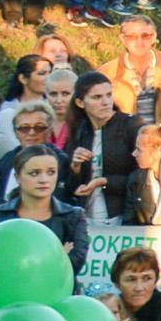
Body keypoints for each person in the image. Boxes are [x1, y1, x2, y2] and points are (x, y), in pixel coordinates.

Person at [0, 144, 88, 270]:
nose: (44, 179)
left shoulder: (74, 216)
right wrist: (56, 256)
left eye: (51, 172)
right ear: (18, 177)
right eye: (34, 173)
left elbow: (74, 265)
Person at [67, 74, 141, 224]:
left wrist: (105, 181)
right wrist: (75, 167)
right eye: (97, 97)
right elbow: (72, 186)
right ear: (80, 102)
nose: (106, 102)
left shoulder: (130, 125)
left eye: (108, 95)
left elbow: (142, 177)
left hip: (122, 216)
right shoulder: (80, 130)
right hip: (87, 217)